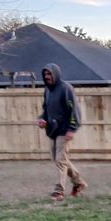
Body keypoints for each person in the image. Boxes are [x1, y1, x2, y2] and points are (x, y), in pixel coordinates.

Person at [36, 63, 87, 201]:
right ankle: (79, 183)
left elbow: (74, 110)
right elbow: (46, 110)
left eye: (49, 74)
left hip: (65, 131)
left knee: (60, 160)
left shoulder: (66, 88)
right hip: (53, 130)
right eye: (45, 74)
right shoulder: (47, 91)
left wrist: (72, 128)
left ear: (56, 74)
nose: (47, 77)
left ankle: (59, 191)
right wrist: (42, 119)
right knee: (60, 160)